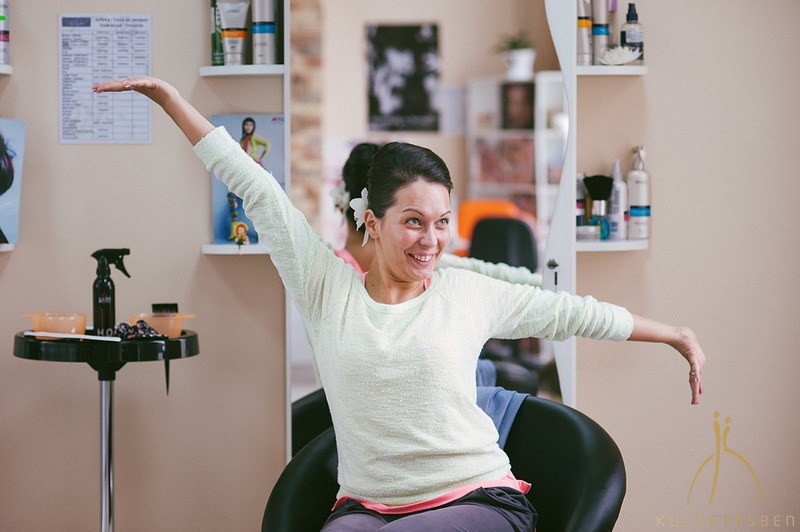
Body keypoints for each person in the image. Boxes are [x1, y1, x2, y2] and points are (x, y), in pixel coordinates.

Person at [92, 76, 706, 532]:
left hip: (476, 500)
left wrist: (673, 334)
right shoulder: (325, 288)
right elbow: (255, 187)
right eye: (414, 221)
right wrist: (171, 100)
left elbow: (574, 313)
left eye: (442, 222)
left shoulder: (465, 292)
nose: (431, 240)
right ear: (372, 221)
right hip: (366, 509)